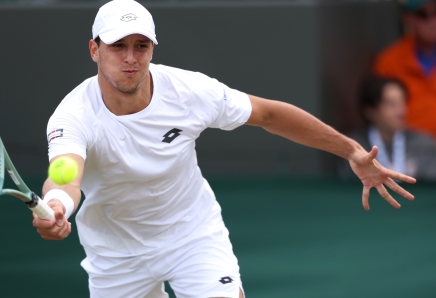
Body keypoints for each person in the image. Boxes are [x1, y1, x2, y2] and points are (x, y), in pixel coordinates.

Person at [32, 1, 416, 297]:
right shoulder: (73, 115)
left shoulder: (189, 91)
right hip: (116, 255)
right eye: (118, 47)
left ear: (152, 48)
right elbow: (65, 176)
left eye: (141, 45)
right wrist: (59, 207)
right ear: (94, 50)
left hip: (192, 236)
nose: (131, 58)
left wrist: (350, 151)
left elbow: (269, 114)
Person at [337, 76, 436, 180]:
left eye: (402, 103)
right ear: (370, 111)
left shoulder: (423, 144)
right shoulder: (354, 146)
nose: (401, 111)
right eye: (391, 104)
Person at [373, 0, 436, 138]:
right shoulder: (389, 61)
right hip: (406, 148)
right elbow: (380, 115)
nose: (432, 21)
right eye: (423, 14)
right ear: (408, 18)